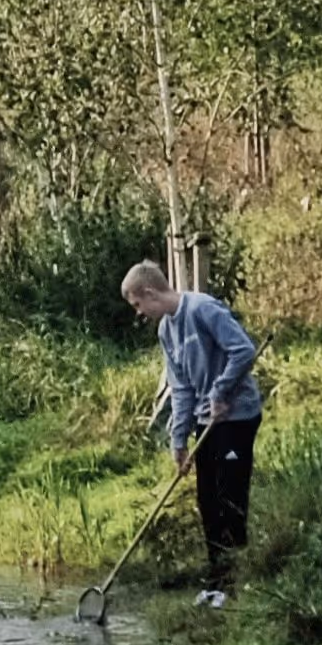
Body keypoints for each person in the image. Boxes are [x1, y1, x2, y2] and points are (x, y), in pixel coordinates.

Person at [127, 258, 265, 610]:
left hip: (236, 416)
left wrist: (220, 393)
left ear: (149, 292)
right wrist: (178, 441)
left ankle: (234, 584)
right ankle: (216, 581)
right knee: (207, 501)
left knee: (229, 497)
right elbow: (182, 388)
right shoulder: (165, 331)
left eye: (138, 304)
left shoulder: (203, 309)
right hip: (207, 421)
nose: (139, 312)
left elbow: (243, 350)